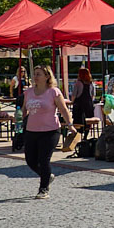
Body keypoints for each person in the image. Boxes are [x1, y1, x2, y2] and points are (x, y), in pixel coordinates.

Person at [20, 65, 72, 198]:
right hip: (31, 130)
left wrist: (70, 125)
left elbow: (63, 109)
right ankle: (47, 176)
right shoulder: (28, 92)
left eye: (39, 74)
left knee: (44, 159)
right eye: (35, 74)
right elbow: (24, 109)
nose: (35, 77)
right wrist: (21, 119)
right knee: (30, 160)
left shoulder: (53, 92)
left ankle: (43, 189)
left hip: (50, 130)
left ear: (47, 76)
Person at [69, 66, 96, 141]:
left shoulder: (78, 83)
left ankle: (78, 135)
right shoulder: (91, 83)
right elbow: (93, 95)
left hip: (79, 104)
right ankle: (85, 136)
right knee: (88, 120)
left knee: (78, 120)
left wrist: (72, 101)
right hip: (88, 104)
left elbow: (74, 94)